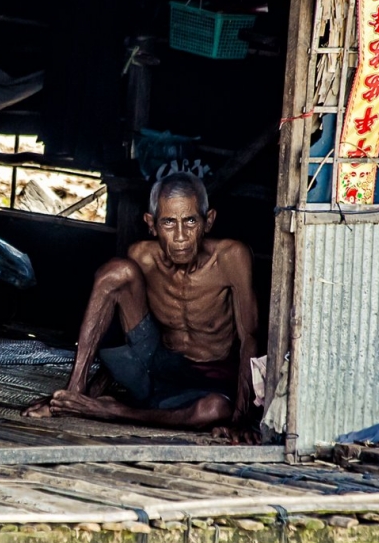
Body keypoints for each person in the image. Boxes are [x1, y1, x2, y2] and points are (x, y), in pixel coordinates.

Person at [22, 172, 259, 441]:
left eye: (190, 221)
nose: (180, 236)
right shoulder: (143, 257)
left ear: (209, 221)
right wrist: (81, 392)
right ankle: (73, 396)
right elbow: (123, 327)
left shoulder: (231, 257)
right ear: (151, 224)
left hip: (207, 383)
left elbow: (249, 339)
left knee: (215, 410)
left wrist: (241, 418)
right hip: (155, 366)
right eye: (168, 222)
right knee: (116, 271)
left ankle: (114, 412)